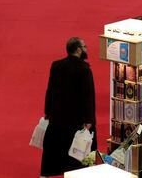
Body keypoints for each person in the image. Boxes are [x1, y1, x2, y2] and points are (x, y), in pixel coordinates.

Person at [39, 37, 96, 178]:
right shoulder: (84, 69)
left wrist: (48, 111)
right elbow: (88, 97)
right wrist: (89, 119)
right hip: (76, 118)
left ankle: (46, 173)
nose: (86, 48)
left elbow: (50, 90)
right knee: (77, 148)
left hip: (57, 116)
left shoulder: (56, 65)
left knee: (53, 147)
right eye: (84, 46)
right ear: (78, 50)